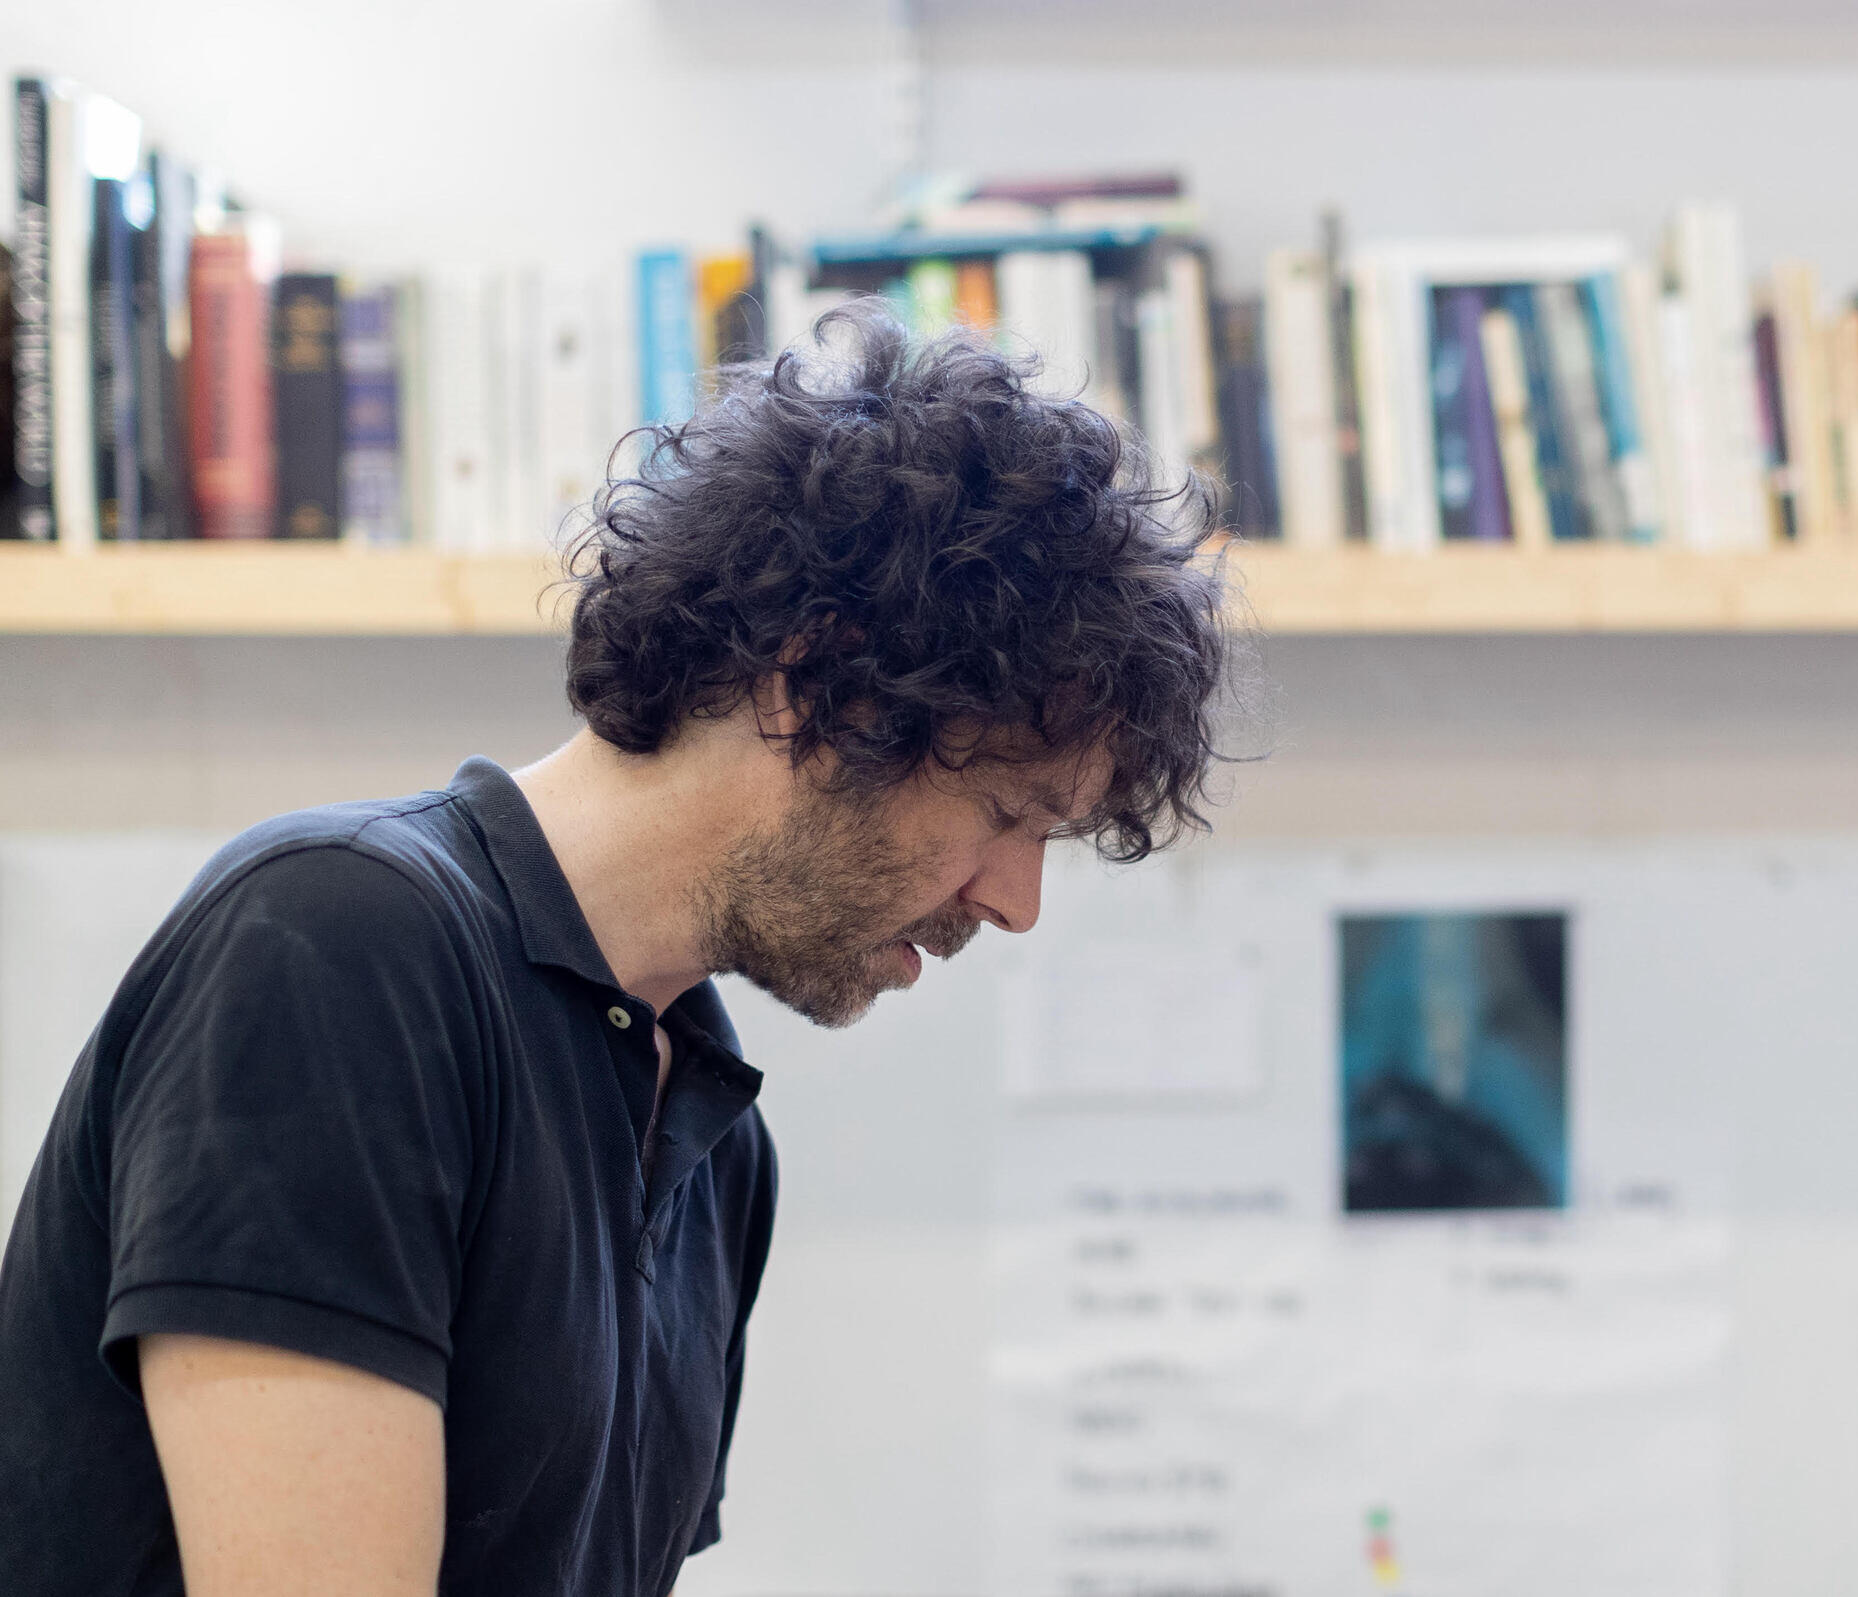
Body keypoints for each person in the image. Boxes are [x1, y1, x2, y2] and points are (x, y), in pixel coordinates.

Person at [0, 304, 1233, 1597]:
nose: (1018, 902)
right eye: (1005, 813)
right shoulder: (339, 950)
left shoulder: (709, 1132)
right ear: (820, 688)